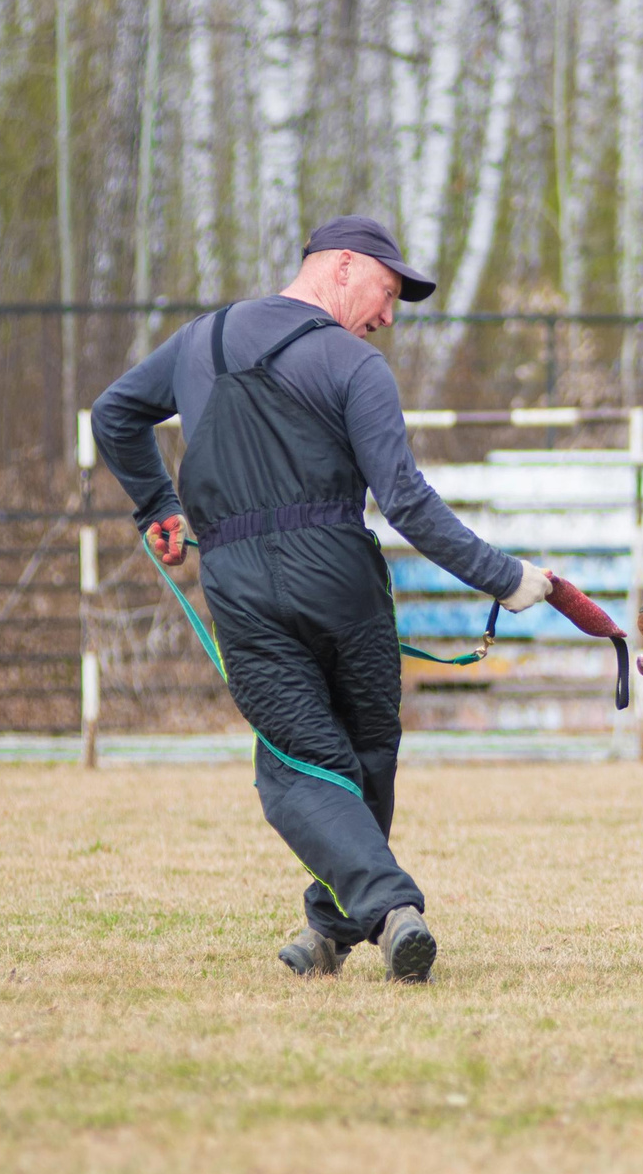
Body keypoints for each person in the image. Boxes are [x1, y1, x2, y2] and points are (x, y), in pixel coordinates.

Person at [89, 215, 553, 984]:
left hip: (238, 582)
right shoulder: (355, 366)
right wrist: (504, 575)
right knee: (358, 754)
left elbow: (114, 413)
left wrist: (156, 505)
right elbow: (405, 499)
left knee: (305, 761)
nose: (388, 315)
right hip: (339, 574)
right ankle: (389, 910)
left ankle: (335, 926)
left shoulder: (202, 340)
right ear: (341, 266)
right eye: (387, 291)